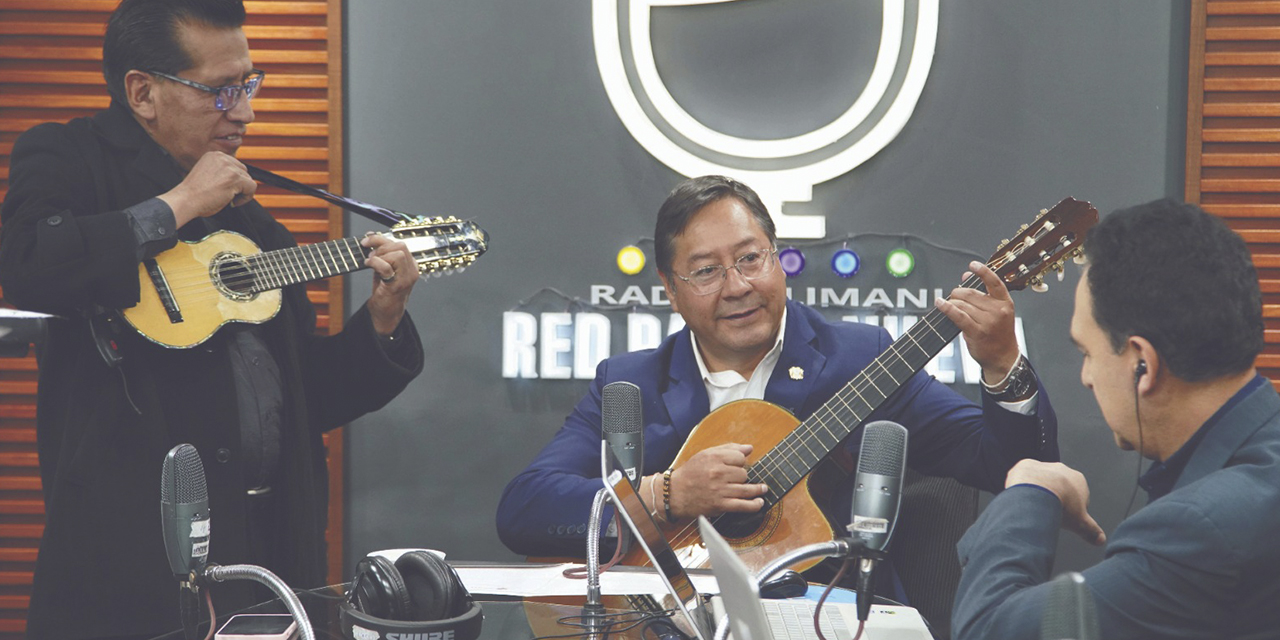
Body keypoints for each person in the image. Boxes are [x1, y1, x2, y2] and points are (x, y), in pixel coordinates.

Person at [0, 1, 426, 638]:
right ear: (142, 92)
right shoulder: (68, 156)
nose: (246, 112)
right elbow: (30, 260)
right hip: (127, 566)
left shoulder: (250, 222)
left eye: (249, 84)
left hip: (269, 558)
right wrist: (178, 204)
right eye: (221, 91)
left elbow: (305, 396)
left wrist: (383, 319)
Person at [496, 175, 1059, 594]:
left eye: (750, 258)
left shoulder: (862, 361)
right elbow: (524, 511)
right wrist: (666, 495)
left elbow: (1009, 465)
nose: (738, 286)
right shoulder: (631, 382)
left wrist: (1003, 365)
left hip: (824, 618)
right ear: (670, 288)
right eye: (707, 271)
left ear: (779, 260)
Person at [951, 199, 1280, 639]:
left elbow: (989, 632)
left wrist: (1030, 491)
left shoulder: (1202, 528)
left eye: (1088, 353)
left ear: (1141, 362)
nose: (1086, 377)